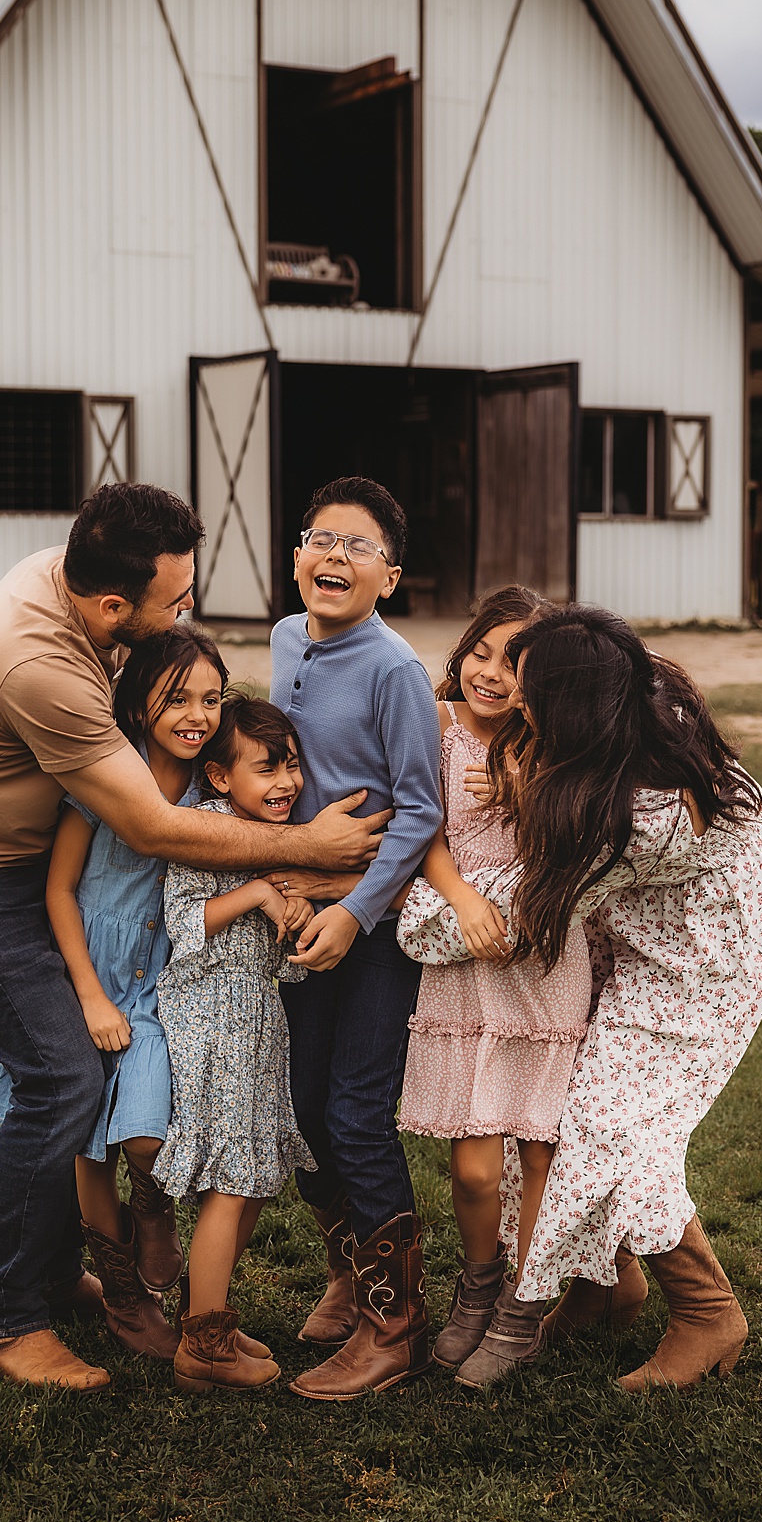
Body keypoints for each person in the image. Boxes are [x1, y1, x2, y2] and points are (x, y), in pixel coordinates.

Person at [0, 481, 389, 1392]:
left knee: (77, 1080)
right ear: (115, 605)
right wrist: (304, 844)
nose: (185, 612)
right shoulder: (39, 664)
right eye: (173, 604)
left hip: (7, 858)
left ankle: (51, 1270)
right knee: (61, 1075)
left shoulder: (72, 588)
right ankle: (2, 1318)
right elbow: (150, 828)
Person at [402, 604, 762, 1391]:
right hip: (634, 912)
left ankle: (708, 1310)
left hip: (710, 944)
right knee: (557, 1103)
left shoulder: (643, 817)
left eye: (530, 688)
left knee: (616, 1122)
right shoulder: (619, 700)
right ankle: (600, 1283)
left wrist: (408, 912)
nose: (514, 697)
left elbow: (522, 913)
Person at [0, 622, 227, 1366]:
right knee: (90, 1141)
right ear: (137, 704)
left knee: (148, 1138)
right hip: (90, 973)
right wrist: (88, 996)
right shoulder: (105, 780)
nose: (196, 715)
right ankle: (123, 1295)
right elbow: (59, 893)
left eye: (212, 699)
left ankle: (153, 1215)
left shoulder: (214, 791)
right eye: (176, 698)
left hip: (159, 985)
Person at [267, 476, 444, 1401]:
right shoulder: (285, 637)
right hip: (299, 912)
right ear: (296, 555)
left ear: (392, 578)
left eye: (359, 546)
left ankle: (393, 1327)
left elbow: (419, 812)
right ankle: (348, 1270)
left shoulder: (396, 672)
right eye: (319, 538)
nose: (334, 556)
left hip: (370, 931)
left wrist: (353, 912)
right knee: (298, 1111)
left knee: (355, 1115)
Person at [396, 589, 593, 1383]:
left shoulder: (551, 743)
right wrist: (464, 900)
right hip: (463, 952)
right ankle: (475, 1288)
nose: (490, 674)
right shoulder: (437, 726)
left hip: (541, 961)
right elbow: (422, 828)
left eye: (514, 666)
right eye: (481, 651)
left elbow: (585, 829)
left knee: (538, 1150)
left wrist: (525, 794)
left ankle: (521, 1303)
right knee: (476, 1165)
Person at [154, 695, 317, 1394]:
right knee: (229, 1176)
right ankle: (203, 1347)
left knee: (248, 1174)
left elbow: (280, 956)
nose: (285, 782)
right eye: (267, 769)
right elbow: (183, 922)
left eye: (292, 766)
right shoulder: (208, 827)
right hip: (214, 1017)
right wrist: (255, 894)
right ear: (220, 777)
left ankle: (208, 1312)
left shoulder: (270, 833)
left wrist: (296, 913)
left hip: (255, 1015)